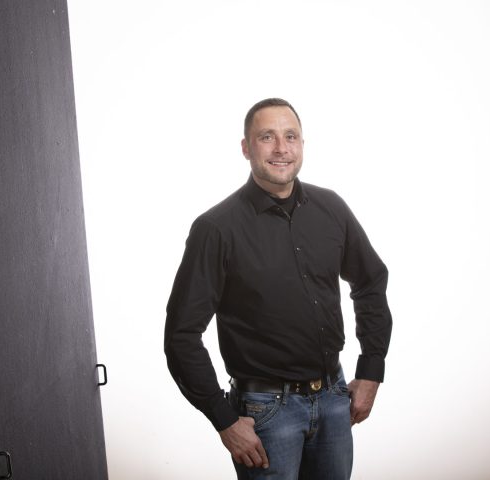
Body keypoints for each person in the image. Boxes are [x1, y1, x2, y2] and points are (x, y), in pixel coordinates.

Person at [164, 98, 392, 479]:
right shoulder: (216, 229)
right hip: (266, 413)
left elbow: (370, 281)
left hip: (335, 401)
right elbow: (180, 335)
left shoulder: (331, 208)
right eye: (267, 137)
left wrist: (371, 371)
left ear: (302, 144)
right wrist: (224, 420)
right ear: (246, 148)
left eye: (291, 136)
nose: (281, 148)